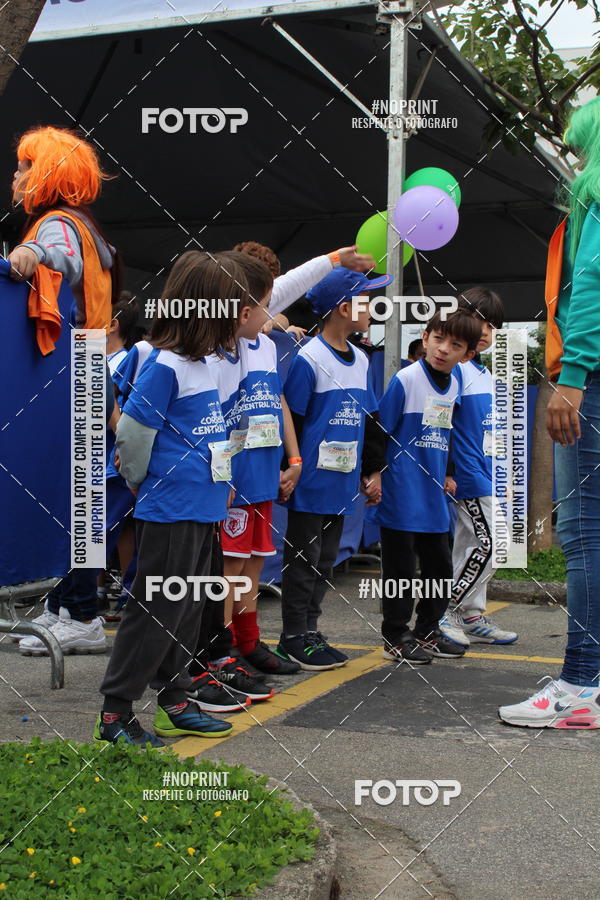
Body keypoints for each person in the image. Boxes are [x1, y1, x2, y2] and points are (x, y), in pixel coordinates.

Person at [95, 251, 254, 747]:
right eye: (231, 309)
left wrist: (221, 481)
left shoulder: (201, 364)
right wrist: (145, 484)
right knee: (154, 609)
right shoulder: (163, 364)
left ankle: (176, 698)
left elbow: (214, 432)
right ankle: (115, 714)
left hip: (202, 507)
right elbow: (133, 436)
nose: (237, 321)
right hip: (170, 509)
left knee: (184, 609)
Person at [500, 98, 600, 728]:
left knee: (584, 537)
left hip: (594, 381)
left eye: (583, 146)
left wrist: (573, 378)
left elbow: (591, 281)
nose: (578, 159)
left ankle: (581, 685)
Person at [11, 126, 120, 656]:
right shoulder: (83, 223)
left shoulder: (55, 224)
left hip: (75, 372)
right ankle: (67, 606)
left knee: (74, 498)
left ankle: (81, 613)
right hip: (87, 368)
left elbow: (60, 256)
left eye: (26, 165)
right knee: (80, 497)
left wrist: (34, 254)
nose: (16, 175)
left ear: (50, 172)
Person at [276, 267, 388, 670]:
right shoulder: (310, 359)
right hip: (312, 483)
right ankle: (292, 637)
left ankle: (310, 630)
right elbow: (295, 420)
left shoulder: (359, 358)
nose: (372, 308)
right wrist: (290, 467)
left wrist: (372, 471)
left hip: (342, 485)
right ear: (343, 308)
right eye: (365, 300)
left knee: (325, 563)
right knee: (304, 561)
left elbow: (370, 420)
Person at [210, 253, 303, 678]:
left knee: (252, 563)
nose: (272, 312)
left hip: (265, 472)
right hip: (233, 475)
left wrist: (294, 458)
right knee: (229, 566)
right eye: (266, 302)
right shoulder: (222, 348)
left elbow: (277, 400)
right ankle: (221, 647)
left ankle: (248, 642)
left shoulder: (267, 345)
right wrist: (222, 470)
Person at [376, 310, 481, 664]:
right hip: (402, 490)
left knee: (439, 566)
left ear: (467, 355)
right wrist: (373, 473)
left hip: (434, 494)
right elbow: (379, 430)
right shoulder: (406, 380)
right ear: (425, 338)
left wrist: (449, 472)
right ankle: (395, 634)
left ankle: (427, 630)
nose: (443, 349)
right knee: (401, 570)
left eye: (455, 345)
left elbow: (446, 433)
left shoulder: (454, 386)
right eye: (438, 339)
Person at [438, 288, 518, 648]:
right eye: (479, 320)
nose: (485, 330)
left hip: (484, 473)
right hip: (467, 476)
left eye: (492, 324)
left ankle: (470, 614)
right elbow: (437, 422)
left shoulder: (482, 372)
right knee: (492, 544)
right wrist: (447, 470)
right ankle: (447, 610)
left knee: (471, 544)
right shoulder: (454, 368)